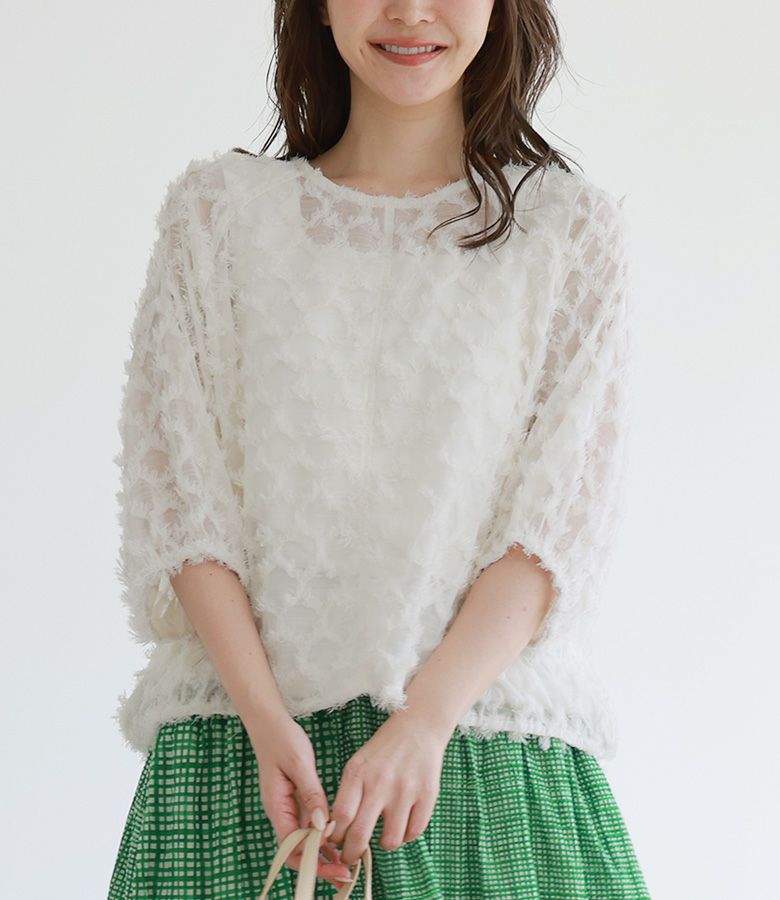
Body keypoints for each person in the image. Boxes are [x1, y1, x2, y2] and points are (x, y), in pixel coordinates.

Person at [108, 1, 652, 898]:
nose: (409, 10)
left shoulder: (569, 232)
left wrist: (425, 720)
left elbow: (558, 523)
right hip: (243, 755)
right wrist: (265, 721)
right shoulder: (219, 216)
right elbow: (180, 498)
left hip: (485, 758)